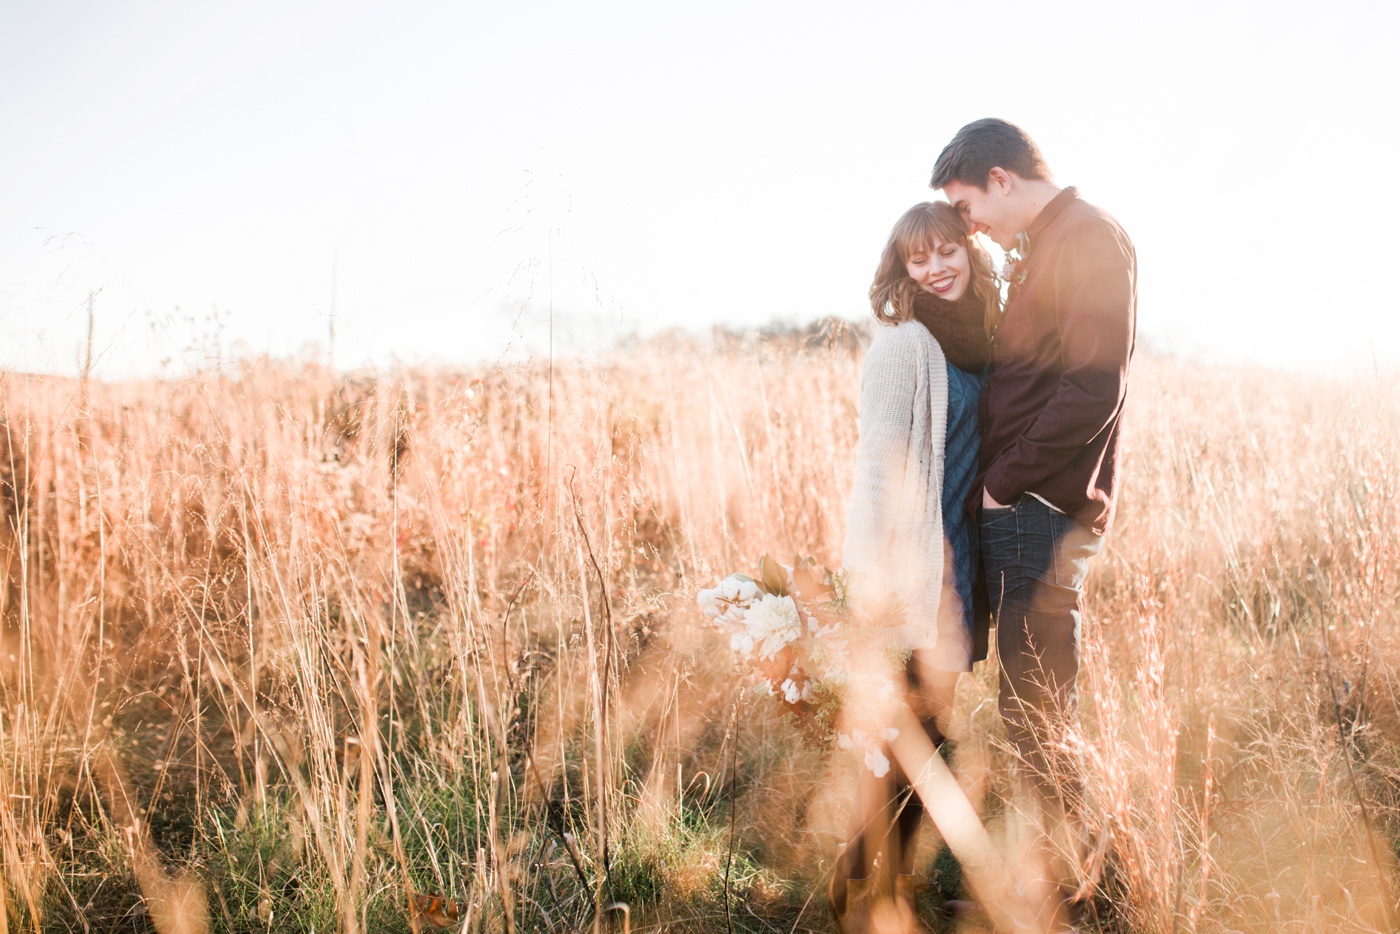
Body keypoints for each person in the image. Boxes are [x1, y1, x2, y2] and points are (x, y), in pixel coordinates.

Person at [932, 118, 1136, 922]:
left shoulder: (1088, 239)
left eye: (966, 203)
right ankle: (1070, 892)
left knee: (1041, 711)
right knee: (1031, 712)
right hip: (1026, 507)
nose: (967, 223)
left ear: (1001, 179)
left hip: (1040, 509)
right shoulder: (1049, 244)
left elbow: (1093, 390)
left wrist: (1002, 485)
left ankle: (1079, 904)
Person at [831, 201, 998, 930]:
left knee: (922, 739)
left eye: (944, 252)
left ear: (969, 249)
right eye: (917, 260)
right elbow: (876, 472)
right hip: (908, 575)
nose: (934, 269)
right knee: (903, 742)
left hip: (956, 578)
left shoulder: (981, 342)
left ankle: (873, 890)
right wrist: (862, 594)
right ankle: (863, 891)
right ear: (901, 271)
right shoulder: (904, 346)